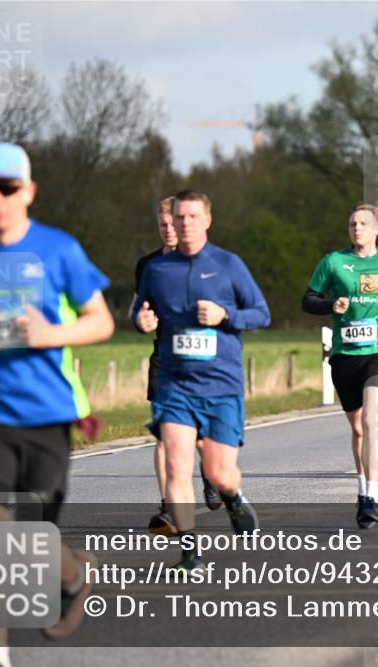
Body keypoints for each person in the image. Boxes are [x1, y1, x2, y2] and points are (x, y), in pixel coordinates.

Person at [0, 142, 115, 667]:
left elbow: (100, 321)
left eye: (7, 188)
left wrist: (49, 333)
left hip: (48, 415)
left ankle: (76, 576)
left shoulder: (59, 250)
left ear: (28, 192)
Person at [132, 189, 270, 569]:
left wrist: (227, 315)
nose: (185, 224)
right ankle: (189, 547)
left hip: (221, 383)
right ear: (171, 222)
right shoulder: (156, 269)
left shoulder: (229, 264)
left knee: (218, 472)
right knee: (176, 463)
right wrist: (141, 321)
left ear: (207, 220)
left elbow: (261, 313)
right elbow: (138, 309)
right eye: (179, 218)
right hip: (175, 383)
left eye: (193, 217)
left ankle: (232, 495)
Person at [302, 203, 378, 528]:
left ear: (376, 229)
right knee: (357, 428)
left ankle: (373, 494)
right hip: (345, 354)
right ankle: (361, 489)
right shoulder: (334, 261)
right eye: (353, 223)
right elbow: (308, 299)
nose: (357, 228)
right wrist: (331, 304)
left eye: (363, 223)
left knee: (371, 420)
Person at [133, 197, 220, 536]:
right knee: (164, 433)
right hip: (165, 356)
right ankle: (169, 505)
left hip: (202, 356)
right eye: (163, 225)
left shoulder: (208, 261)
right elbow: (139, 308)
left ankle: (210, 473)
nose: (169, 230)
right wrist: (142, 320)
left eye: (174, 224)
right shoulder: (148, 265)